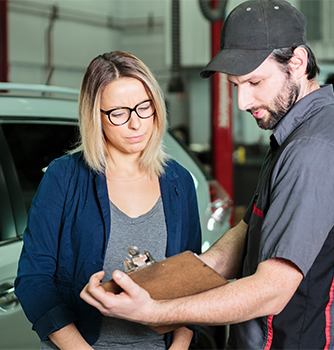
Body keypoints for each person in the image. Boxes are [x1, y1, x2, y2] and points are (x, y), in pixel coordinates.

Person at [80, 1, 334, 349]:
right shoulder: (294, 136)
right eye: (236, 85)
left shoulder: (316, 152)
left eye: (254, 81)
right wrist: (155, 285)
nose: (242, 102)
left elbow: (271, 292)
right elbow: (246, 235)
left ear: (296, 62)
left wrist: (156, 311)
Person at [14, 51, 201, 350]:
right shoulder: (63, 178)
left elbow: (190, 280)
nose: (136, 123)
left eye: (144, 107)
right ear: (95, 116)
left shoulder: (178, 181)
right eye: (118, 113)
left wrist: (179, 346)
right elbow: (33, 280)